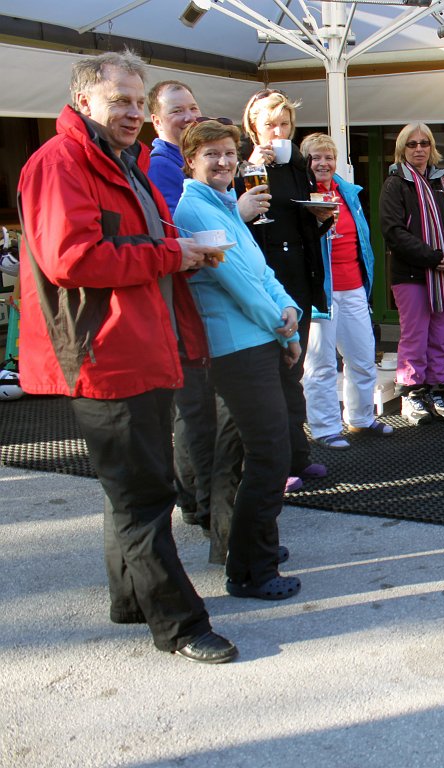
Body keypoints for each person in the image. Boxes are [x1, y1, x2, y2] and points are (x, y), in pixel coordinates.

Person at [17, 50, 236, 663]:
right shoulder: (60, 162)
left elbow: (131, 241)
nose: (134, 112)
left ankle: (129, 599)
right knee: (144, 497)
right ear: (84, 100)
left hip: (137, 347)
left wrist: (176, 247)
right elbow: (72, 259)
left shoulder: (120, 159)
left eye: (139, 101)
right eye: (121, 100)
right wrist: (170, 254)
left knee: (130, 490)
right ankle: (181, 625)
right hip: (104, 355)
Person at [175, 119, 303, 602]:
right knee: (271, 455)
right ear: (191, 161)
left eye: (229, 153)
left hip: (257, 339)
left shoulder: (225, 205)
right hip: (236, 348)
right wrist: (282, 325)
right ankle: (252, 571)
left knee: (251, 453)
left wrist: (287, 307)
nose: (224, 162)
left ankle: (246, 549)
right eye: (212, 154)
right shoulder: (193, 211)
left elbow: (263, 272)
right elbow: (238, 285)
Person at [240, 89, 336, 492]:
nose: (277, 132)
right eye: (269, 124)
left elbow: (306, 220)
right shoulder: (240, 165)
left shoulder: (299, 164)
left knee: (293, 372)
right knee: (274, 374)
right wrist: (248, 168)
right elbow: (235, 224)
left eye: (284, 125)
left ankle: (299, 455)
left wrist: (321, 217)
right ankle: (272, 466)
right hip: (266, 275)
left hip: (299, 273)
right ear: (253, 126)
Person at [145, 79, 214, 532]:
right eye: (177, 111)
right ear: (156, 120)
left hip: (199, 296)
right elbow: (178, 232)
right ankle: (197, 501)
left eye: (192, 107)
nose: (189, 116)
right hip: (183, 300)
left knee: (199, 406)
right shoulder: (163, 167)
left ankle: (197, 494)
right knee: (193, 408)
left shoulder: (187, 159)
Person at [379, 122, 444, 424]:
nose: (419, 149)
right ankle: (412, 396)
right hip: (412, 275)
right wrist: (434, 258)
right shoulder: (395, 185)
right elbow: (393, 233)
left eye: (424, 143)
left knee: (440, 337)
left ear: (432, 148)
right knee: (414, 337)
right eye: (412, 144)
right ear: (402, 149)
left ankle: (436, 390)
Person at [299, 132, 386, 442]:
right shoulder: (300, 196)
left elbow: (362, 241)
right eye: (316, 157)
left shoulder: (348, 192)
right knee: (321, 365)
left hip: (354, 288)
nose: (324, 163)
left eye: (329, 157)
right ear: (305, 162)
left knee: (362, 356)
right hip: (321, 292)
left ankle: (361, 418)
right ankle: (325, 428)